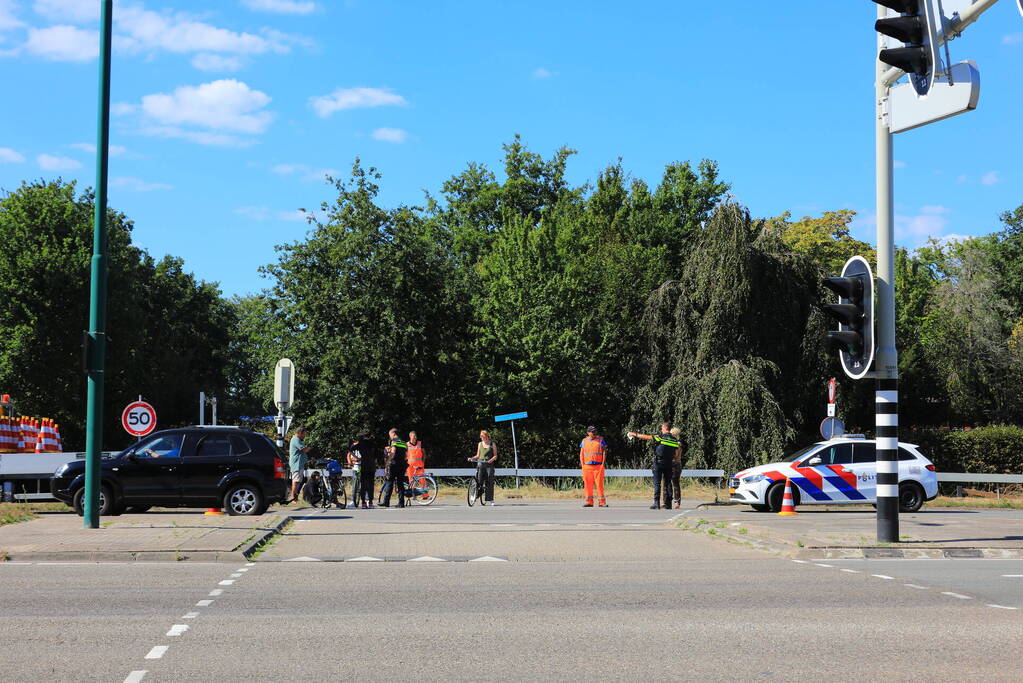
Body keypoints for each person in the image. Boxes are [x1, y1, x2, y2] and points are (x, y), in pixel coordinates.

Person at [627, 423, 680, 509]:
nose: (660, 428)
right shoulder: (674, 440)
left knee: (657, 483)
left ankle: (656, 503)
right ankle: (668, 504)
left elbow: (647, 437)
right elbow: (676, 454)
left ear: (665, 428)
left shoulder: (660, 437)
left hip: (659, 463)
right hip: (669, 463)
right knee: (668, 483)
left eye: (662, 427)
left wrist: (634, 434)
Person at [579, 425, 608, 508]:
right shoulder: (584, 441)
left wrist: (603, 464)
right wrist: (583, 465)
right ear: (588, 433)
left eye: (595, 431)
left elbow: (604, 452)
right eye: (592, 431)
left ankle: (602, 502)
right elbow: (581, 453)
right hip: (587, 466)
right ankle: (589, 502)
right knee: (588, 485)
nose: (594, 433)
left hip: (598, 466)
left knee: (599, 485)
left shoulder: (601, 440)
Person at [469, 430, 497, 505]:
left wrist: (491, 460)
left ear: (486, 436)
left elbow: (495, 456)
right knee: (478, 481)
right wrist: (472, 458)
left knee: (489, 482)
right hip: (481, 464)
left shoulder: (492, 444)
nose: (481, 437)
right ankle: (474, 495)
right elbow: (478, 455)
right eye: (480, 436)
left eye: (482, 436)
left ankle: (490, 499)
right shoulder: (480, 444)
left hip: (489, 465)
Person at [381, 427, 407, 508]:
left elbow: (393, 453)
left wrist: (387, 462)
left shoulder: (394, 441)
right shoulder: (403, 442)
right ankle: (401, 502)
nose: (390, 437)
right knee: (400, 484)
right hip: (402, 465)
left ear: (394, 434)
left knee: (390, 482)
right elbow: (406, 455)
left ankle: (386, 501)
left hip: (394, 464)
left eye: (390, 435)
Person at [351, 432, 378, 508]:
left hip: (364, 465)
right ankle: (370, 502)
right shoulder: (373, 443)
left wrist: (357, 457)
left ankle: (363, 503)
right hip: (372, 466)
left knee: (363, 485)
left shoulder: (361, 443)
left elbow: (350, 450)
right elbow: (376, 455)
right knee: (370, 485)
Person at [288, 426, 312, 504]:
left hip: (299, 464)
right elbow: (304, 450)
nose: (304, 435)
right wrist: (309, 448)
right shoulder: (296, 439)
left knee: (298, 481)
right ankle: (292, 497)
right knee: (295, 481)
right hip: (296, 464)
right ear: (300, 433)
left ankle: (295, 497)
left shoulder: (297, 439)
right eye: (304, 434)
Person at [669, 427, 686, 510]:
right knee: (668, 484)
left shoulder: (677, 444)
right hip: (672, 464)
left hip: (675, 465)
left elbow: (675, 455)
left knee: (675, 484)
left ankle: (677, 502)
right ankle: (668, 501)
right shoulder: (673, 443)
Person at [346, 440, 361, 509]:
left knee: (363, 484)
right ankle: (353, 500)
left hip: (362, 466)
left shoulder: (362, 446)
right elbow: (348, 455)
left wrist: (359, 459)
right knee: (354, 485)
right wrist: (350, 463)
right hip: (355, 467)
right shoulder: (353, 447)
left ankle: (366, 500)